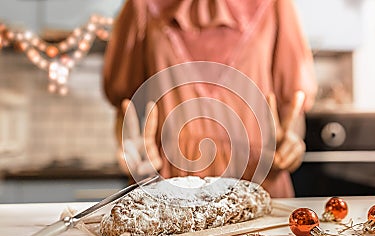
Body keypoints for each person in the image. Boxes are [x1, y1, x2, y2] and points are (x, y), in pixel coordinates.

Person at [103, 0, 317, 198]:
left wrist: (291, 144)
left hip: (259, 184)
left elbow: (293, 108)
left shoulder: (274, 5)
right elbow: (125, 103)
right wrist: (131, 148)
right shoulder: (142, 5)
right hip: (168, 189)